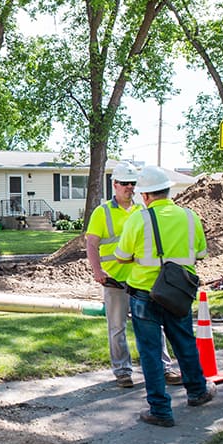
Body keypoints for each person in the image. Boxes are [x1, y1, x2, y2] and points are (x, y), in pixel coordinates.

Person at [115, 166, 215, 427]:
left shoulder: (138, 219)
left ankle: (160, 410)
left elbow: (122, 256)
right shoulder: (190, 216)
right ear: (168, 191)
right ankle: (197, 391)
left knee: (150, 353)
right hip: (178, 293)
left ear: (145, 196)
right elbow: (201, 253)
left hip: (144, 295)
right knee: (185, 344)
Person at [86, 162, 181, 388]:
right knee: (117, 327)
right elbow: (91, 243)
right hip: (115, 280)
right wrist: (97, 270)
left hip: (142, 280)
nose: (129, 187)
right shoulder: (103, 212)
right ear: (115, 184)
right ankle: (122, 372)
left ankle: (164, 368)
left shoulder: (144, 210)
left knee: (153, 326)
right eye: (125, 183)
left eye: (133, 184)